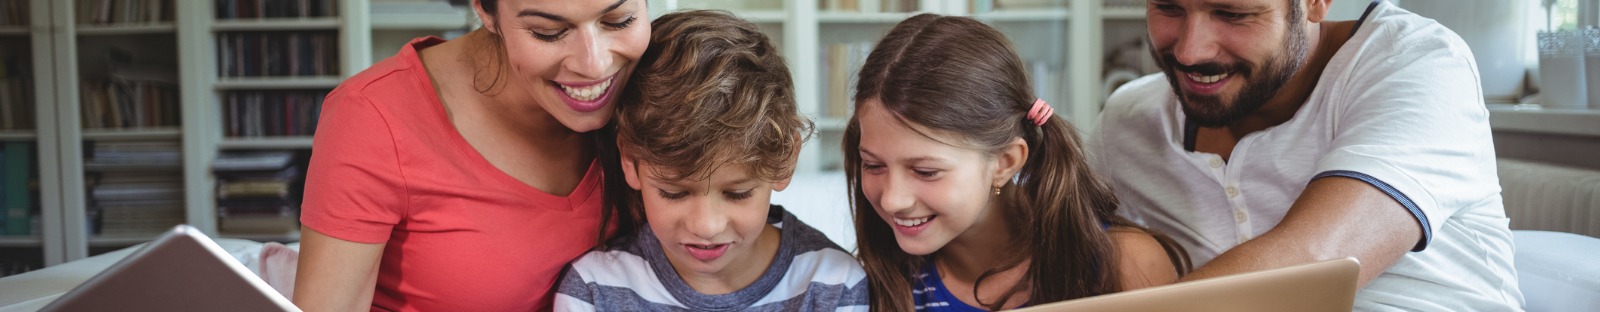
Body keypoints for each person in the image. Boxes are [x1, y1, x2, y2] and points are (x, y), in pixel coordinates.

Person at [1089, 0, 1524, 310]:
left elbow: (1317, 260)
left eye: (1232, 13)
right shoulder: (1129, 120)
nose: (1189, 50)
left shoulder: (1414, 61)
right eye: (1168, 8)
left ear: (1316, 3)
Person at [292, 0, 649, 310]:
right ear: (486, 10)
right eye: (548, 31)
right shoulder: (374, 115)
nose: (594, 65)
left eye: (618, 19)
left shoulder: (656, 86)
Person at [845, 14, 1191, 311]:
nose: (892, 199)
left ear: (1006, 162)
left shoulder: (1122, 265)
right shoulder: (880, 284)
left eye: (925, 171)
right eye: (873, 165)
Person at [552, 10, 869, 311]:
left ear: (785, 159)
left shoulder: (835, 284)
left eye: (737, 193)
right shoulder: (593, 290)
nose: (706, 226)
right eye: (674, 193)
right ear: (630, 160)